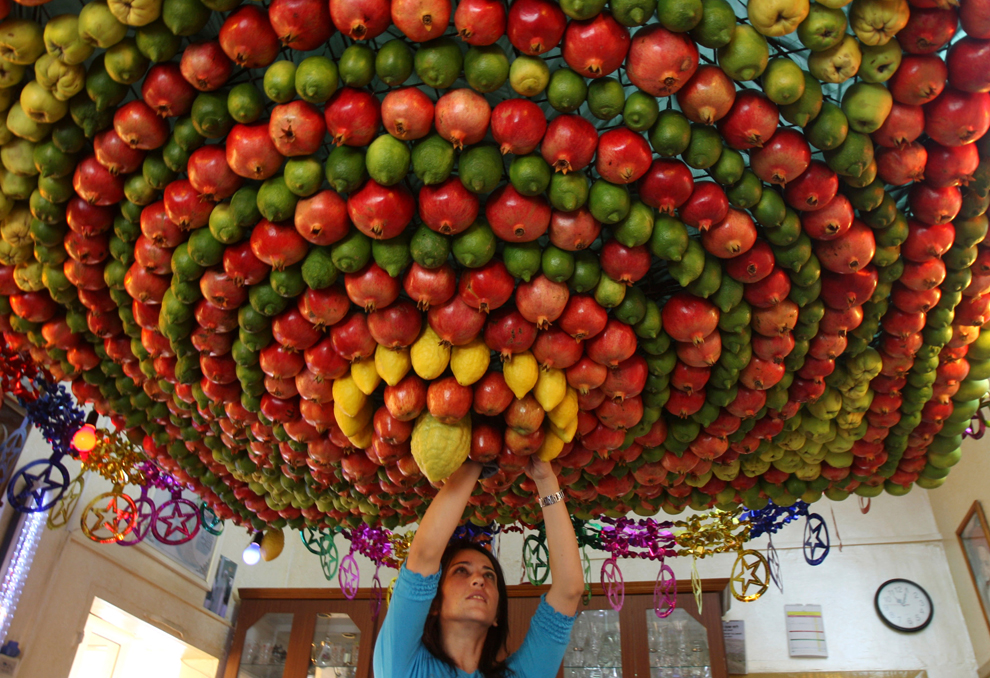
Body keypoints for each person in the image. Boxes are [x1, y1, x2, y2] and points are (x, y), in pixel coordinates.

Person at [373, 457, 585, 678]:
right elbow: (424, 555)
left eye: (489, 575)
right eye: (461, 571)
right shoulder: (400, 667)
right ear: (434, 603)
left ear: (497, 615)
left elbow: (568, 591)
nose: (479, 580)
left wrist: (546, 481)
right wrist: (476, 460)